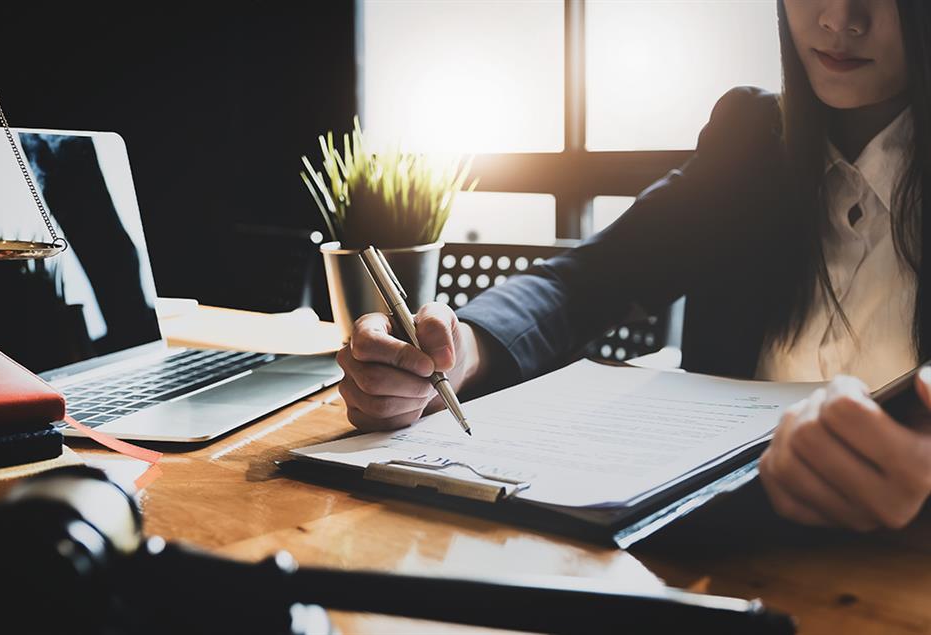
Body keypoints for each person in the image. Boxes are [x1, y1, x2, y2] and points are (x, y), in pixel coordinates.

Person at [336, 0, 931, 532]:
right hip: (712, 559)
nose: (839, 18)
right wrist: (459, 352)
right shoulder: (753, 137)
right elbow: (587, 282)